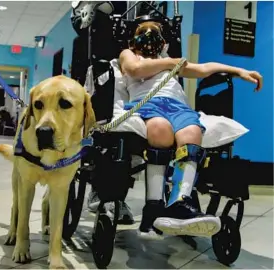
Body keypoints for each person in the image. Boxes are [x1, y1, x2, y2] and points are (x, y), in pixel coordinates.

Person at [91, 20, 263, 239]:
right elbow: (134, 70)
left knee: (192, 133)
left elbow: (203, 69)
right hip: (148, 103)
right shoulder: (130, 55)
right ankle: (153, 208)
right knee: (160, 130)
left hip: (178, 107)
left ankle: (179, 203)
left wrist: (239, 70)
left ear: (163, 42)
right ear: (133, 41)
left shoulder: (168, 60)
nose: (149, 34)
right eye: (143, 31)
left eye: (155, 31)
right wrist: (172, 62)